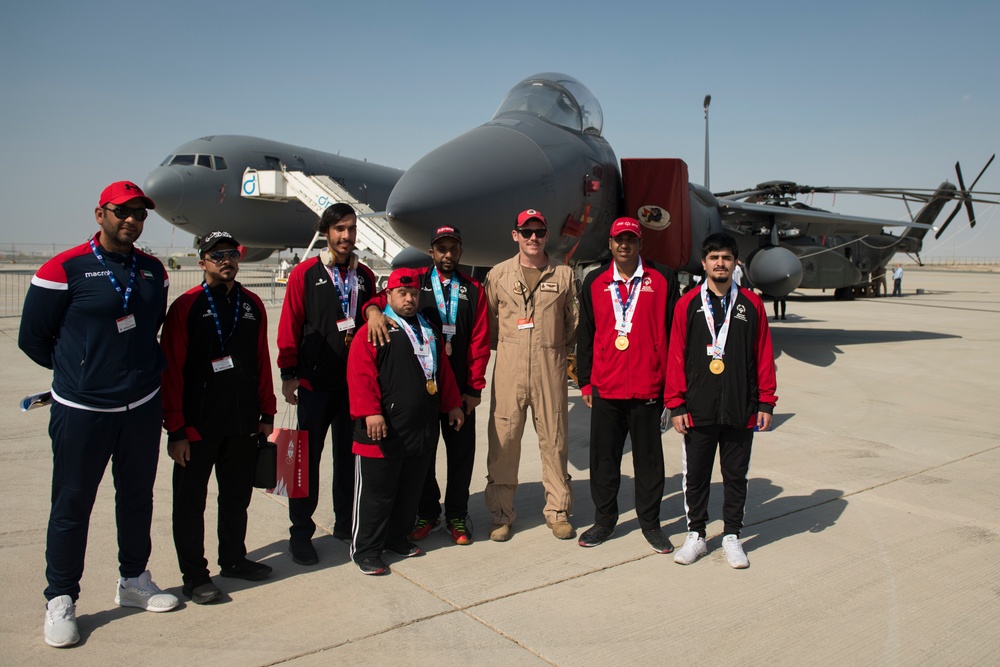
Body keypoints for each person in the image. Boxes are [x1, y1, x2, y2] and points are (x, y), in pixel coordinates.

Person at [18, 181, 177, 648]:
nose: (132, 219)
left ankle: (134, 580)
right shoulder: (63, 269)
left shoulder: (153, 272)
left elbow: (150, 326)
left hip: (141, 406)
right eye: (122, 211)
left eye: (140, 213)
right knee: (71, 505)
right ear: (99, 214)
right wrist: (80, 373)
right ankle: (61, 597)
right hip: (83, 409)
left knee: (137, 497)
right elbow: (34, 338)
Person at [160, 231, 277, 604]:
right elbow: (171, 371)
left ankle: (234, 559)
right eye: (217, 255)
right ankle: (195, 576)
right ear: (203, 262)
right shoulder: (186, 306)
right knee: (191, 503)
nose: (227, 260)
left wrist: (267, 411)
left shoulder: (252, 304)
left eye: (232, 253)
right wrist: (175, 429)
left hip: (243, 423)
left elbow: (261, 362)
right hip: (197, 427)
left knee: (236, 497)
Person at [364, 226, 490, 545]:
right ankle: (428, 511)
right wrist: (374, 311)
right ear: (431, 252)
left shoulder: (474, 288)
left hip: (459, 391)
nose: (447, 254)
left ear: (460, 251)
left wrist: (473, 389)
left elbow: (479, 342)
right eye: (441, 248)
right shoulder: (416, 280)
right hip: (423, 390)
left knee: (461, 455)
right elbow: (381, 297)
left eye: (453, 248)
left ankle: (458, 515)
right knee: (423, 456)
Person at [665, 232, 777, 569]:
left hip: (740, 408)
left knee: (735, 476)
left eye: (726, 258)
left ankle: (731, 535)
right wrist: (676, 403)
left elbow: (763, 355)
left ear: (735, 263)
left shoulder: (751, 305)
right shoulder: (687, 304)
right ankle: (696, 534)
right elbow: (676, 356)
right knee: (696, 476)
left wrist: (766, 402)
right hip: (698, 409)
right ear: (704, 263)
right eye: (714, 257)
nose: (720, 263)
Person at [276, 203, 377, 565]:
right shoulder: (304, 273)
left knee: (349, 459)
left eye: (351, 229)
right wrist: (289, 373)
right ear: (327, 232)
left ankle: (345, 523)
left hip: (352, 386)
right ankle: (300, 532)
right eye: (339, 230)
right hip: (315, 384)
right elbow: (289, 324)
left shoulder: (364, 275)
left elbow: (370, 317)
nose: (346, 236)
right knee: (305, 461)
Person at [347, 268, 465, 574]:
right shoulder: (374, 329)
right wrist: (370, 411)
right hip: (381, 429)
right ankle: (367, 550)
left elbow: (443, 373)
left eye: (413, 293)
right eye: (402, 293)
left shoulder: (428, 329)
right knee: (377, 494)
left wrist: (452, 405)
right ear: (388, 295)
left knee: (409, 491)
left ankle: (397, 538)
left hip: (420, 429)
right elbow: (360, 374)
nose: (409, 298)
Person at [577, 217, 679, 553]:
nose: (624, 245)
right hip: (606, 388)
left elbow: (674, 336)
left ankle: (650, 524)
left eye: (631, 240)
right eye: (619, 240)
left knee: (649, 462)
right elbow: (586, 336)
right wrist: (587, 381)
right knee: (604, 460)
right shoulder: (594, 282)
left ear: (640, 244)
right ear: (610, 244)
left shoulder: (662, 278)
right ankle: (605, 522)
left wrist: (672, 386)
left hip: (649, 388)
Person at [483, 209, 579, 541]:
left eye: (538, 232)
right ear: (516, 236)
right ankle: (501, 514)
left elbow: (572, 325)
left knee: (554, 440)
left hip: (549, 367)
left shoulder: (564, 276)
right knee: (504, 441)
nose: (533, 238)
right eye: (526, 232)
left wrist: (548, 348)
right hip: (510, 368)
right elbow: (492, 323)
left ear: (546, 234)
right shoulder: (497, 275)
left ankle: (558, 511)